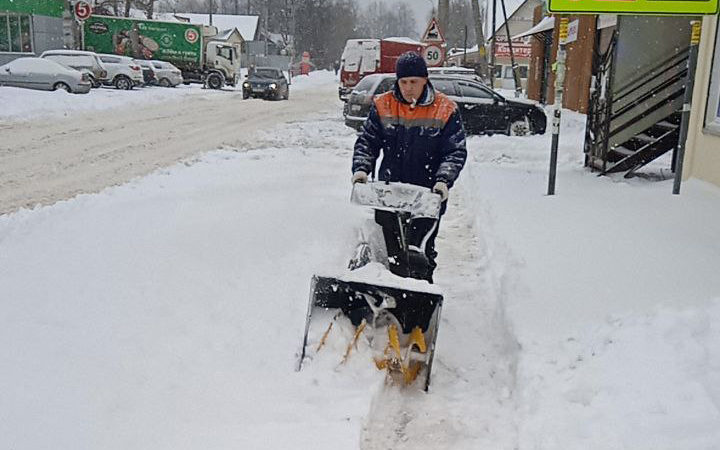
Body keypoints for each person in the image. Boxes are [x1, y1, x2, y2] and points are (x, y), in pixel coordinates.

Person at [351, 51, 467, 283]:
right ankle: (393, 297)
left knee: (419, 252)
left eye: (413, 82)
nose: (408, 88)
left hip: (427, 193)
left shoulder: (445, 108)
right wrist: (362, 169)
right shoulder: (383, 105)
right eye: (403, 82)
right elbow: (368, 141)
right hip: (389, 190)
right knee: (392, 252)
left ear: (425, 80)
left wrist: (443, 180)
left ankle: (421, 298)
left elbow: (454, 151)